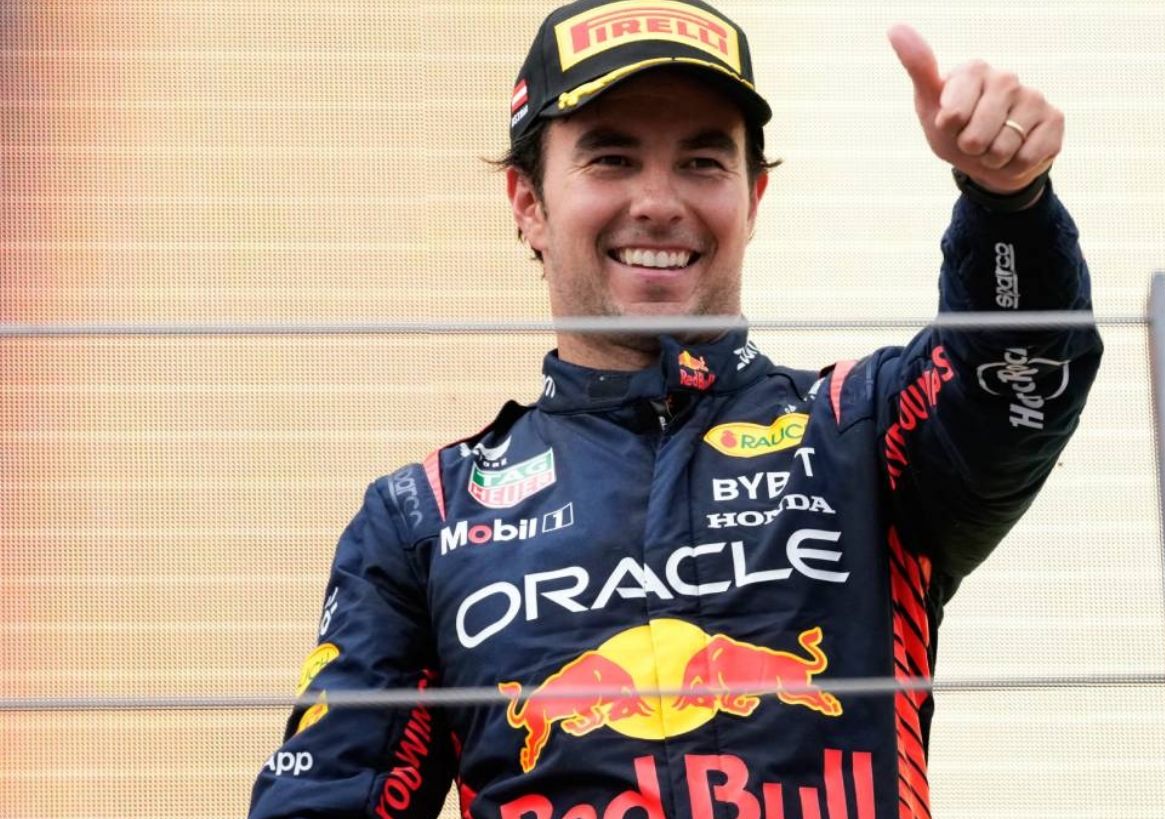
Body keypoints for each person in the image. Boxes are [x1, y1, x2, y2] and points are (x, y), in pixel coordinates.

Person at [248, 0, 1102, 816]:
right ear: (529, 203)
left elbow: (1016, 383)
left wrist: (1009, 205)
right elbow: (326, 794)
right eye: (612, 159)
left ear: (753, 198)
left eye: (701, 162)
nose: (659, 202)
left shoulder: (859, 431)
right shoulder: (424, 518)